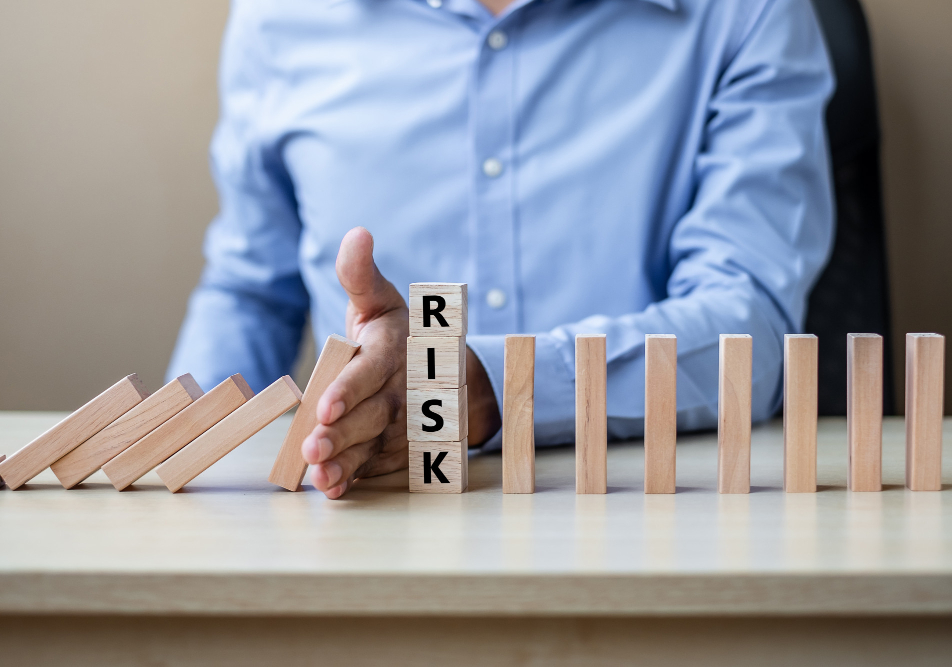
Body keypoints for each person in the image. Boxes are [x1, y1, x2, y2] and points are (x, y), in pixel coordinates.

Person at [167, 0, 835, 499]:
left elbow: (752, 329)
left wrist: (487, 386)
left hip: (650, 537)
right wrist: (174, 474)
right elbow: (253, 290)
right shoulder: (276, 19)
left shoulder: (751, 12)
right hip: (364, 532)